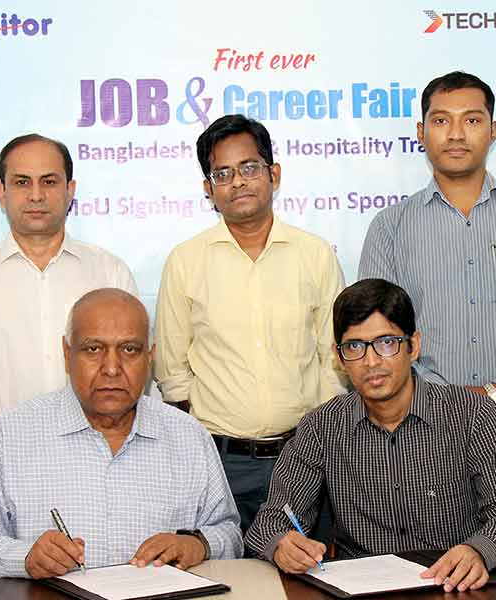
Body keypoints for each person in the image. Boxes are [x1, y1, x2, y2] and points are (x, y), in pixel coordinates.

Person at [358, 71, 496, 597]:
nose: (456, 133)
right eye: (441, 120)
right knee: (426, 585)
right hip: (420, 439)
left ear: (493, 130)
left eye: (471, 120)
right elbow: (375, 336)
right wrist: (443, 401)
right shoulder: (390, 227)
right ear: (421, 131)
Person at [245, 279, 496, 593]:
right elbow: (270, 521)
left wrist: (479, 550)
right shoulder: (321, 427)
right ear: (339, 357)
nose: (371, 362)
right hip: (361, 591)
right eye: (355, 347)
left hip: (454, 586)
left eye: (386, 343)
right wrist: (281, 543)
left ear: (414, 346)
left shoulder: (472, 415)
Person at [0, 289, 242, 587]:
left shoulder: (188, 437)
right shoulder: (8, 437)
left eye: (129, 350)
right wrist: (25, 557)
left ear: (150, 357)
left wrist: (198, 545)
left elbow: (229, 532)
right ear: (66, 353)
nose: (111, 369)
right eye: (93, 349)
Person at [154, 115, 347, 534]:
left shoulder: (314, 255)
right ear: (208, 189)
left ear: (273, 174)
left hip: (303, 455)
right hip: (221, 462)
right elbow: (172, 371)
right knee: (228, 583)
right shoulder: (186, 261)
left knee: (303, 585)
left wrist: (319, 439)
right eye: (222, 173)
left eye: (249, 168)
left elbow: (332, 358)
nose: (237, 182)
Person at [0, 133, 138, 459]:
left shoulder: (109, 272)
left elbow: (132, 373)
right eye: (21, 182)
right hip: (4, 463)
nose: (35, 195)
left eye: (48, 181)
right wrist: (1, 454)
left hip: (100, 460)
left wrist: (109, 448)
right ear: (2, 193)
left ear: (69, 190)